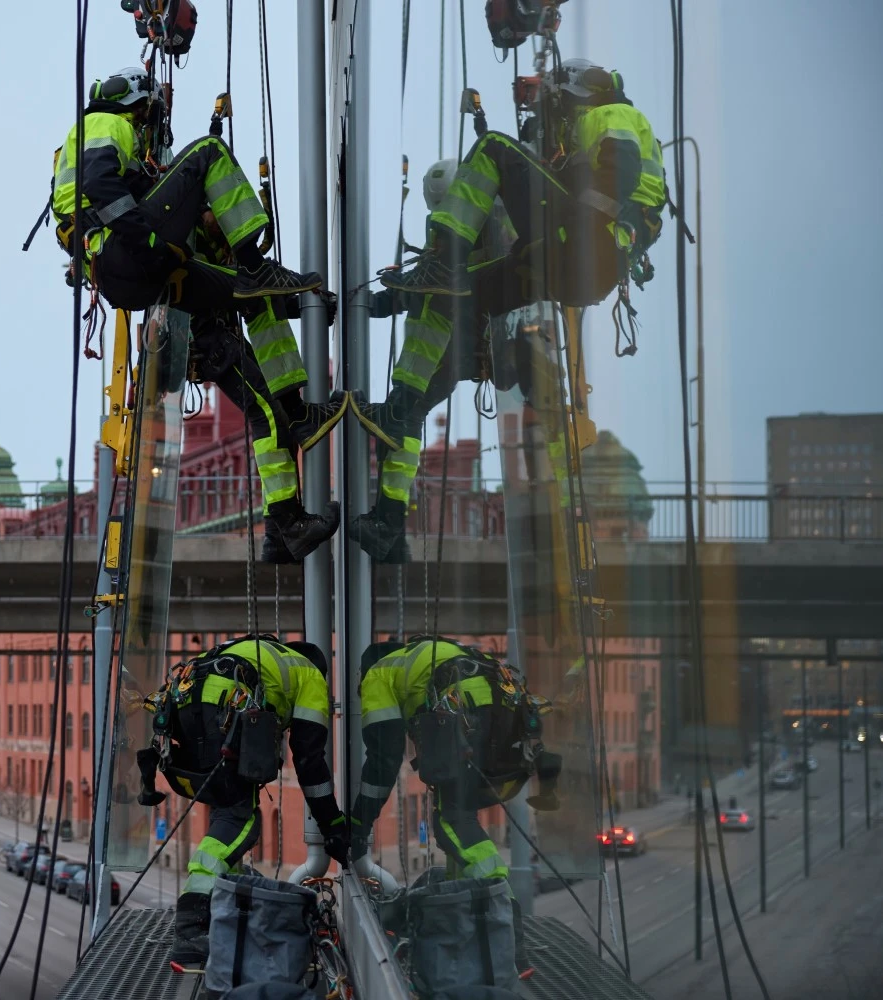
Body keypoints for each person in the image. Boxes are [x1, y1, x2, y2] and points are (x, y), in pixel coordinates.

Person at [349, 59, 667, 562]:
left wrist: (573, 223)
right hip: (567, 265)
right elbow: (470, 284)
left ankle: (402, 517)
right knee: (411, 395)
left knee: (493, 149)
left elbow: (614, 171)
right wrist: (392, 298)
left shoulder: (610, 118)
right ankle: (388, 526)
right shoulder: (583, 142)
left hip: (578, 248)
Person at [53, 66, 348, 560]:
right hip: (155, 283)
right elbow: (101, 185)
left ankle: (286, 513)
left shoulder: (97, 154)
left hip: (141, 275)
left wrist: (305, 302)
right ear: (139, 105)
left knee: (257, 314)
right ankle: (287, 512)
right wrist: (146, 239)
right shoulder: (108, 125)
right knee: (210, 156)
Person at [136, 635, 352, 971]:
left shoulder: (258, 653)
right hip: (223, 709)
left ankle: (222, 920)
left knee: (227, 808)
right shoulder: (310, 675)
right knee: (242, 820)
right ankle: (191, 929)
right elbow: (310, 760)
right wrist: (333, 825)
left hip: (186, 705)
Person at [347, 637, 560, 905]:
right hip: (503, 706)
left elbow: (384, 759)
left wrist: (358, 825)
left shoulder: (378, 674)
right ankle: (464, 902)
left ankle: (499, 900)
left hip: (464, 711)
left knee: (452, 820)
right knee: (462, 805)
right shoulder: (426, 654)